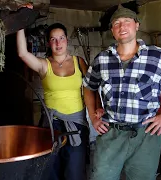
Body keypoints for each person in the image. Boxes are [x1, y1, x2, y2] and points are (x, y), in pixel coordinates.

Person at [83, 5, 161, 180]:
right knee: (101, 177)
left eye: (127, 21)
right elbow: (89, 86)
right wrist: (93, 116)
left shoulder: (158, 56)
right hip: (111, 133)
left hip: (146, 135)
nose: (122, 27)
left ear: (136, 25)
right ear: (112, 30)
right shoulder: (102, 59)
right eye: (117, 23)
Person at [16, 5, 96, 180]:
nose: (58, 43)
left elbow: (92, 88)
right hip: (52, 125)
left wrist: (96, 114)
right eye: (53, 39)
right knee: (51, 170)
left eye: (61, 38)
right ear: (48, 43)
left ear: (67, 40)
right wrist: (21, 20)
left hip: (77, 124)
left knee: (74, 171)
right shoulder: (44, 64)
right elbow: (22, 53)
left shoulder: (79, 62)